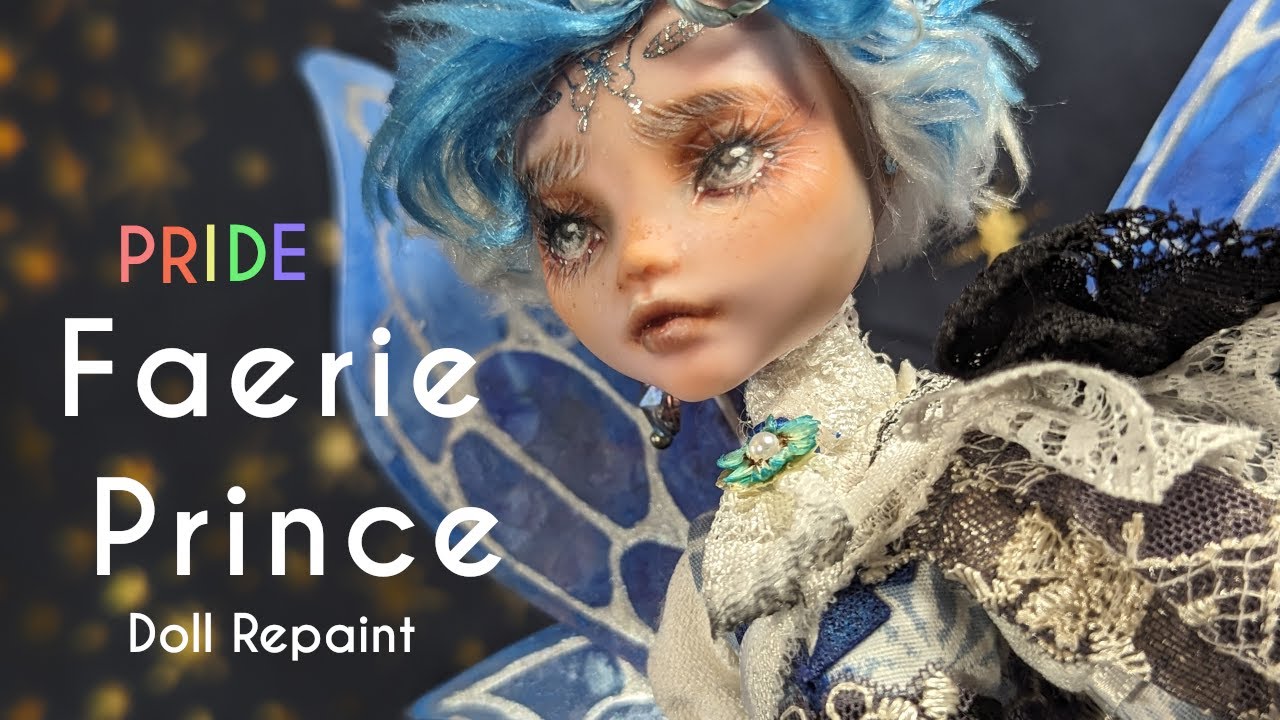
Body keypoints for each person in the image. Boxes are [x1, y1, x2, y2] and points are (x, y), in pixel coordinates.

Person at [364, 0, 1280, 717]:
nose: (639, 254)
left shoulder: (1010, 456)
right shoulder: (708, 596)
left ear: (880, 147)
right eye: (570, 226)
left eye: (726, 157)